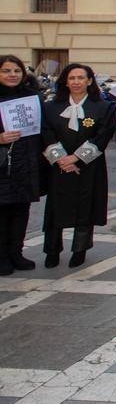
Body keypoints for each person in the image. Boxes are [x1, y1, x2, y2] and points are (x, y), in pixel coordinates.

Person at [40, 63, 116, 268]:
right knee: (56, 208)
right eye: (72, 78)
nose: (76, 82)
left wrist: (76, 158)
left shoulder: (102, 107)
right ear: (65, 81)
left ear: (89, 81)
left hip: (89, 166)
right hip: (59, 166)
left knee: (86, 207)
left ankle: (79, 249)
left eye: (80, 78)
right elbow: (46, 133)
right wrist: (61, 159)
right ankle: (52, 251)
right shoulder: (50, 107)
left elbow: (103, 136)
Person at [0, 55, 44, 275]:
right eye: (6, 71)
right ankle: (2, 256)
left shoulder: (32, 97)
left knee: (21, 210)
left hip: (26, 163)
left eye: (16, 71)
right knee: (2, 211)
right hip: (2, 165)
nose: (12, 75)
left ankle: (16, 252)